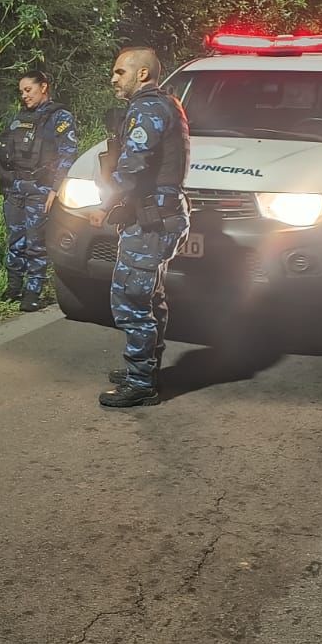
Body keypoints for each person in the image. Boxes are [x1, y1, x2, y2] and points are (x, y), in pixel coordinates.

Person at [99, 47, 190, 410]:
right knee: (150, 298)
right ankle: (146, 369)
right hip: (160, 217)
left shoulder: (149, 108)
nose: (113, 78)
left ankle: (141, 383)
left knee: (131, 300)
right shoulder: (165, 104)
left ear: (142, 74)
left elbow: (134, 165)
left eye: (120, 72)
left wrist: (104, 202)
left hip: (152, 222)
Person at [0, 70, 79, 312]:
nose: (24, 95)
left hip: (41, 189)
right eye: (21, 91)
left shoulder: (59, 117)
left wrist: (55, 189)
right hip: (15, 187)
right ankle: (13, 287)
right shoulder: (19, 118)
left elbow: (67, 153)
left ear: (43, 87)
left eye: (28, 90)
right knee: (15, 239)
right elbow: (3, 149)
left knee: (35, 243)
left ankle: (33, 292)